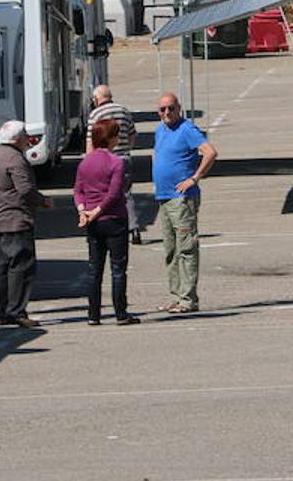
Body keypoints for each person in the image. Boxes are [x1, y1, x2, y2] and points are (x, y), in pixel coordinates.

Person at [151, 92, 217, 313]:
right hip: (164, 197)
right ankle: (176, 295)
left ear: (179, 108)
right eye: (162, 109)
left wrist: (194, 178)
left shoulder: (187, 129)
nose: (167, 113)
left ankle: (188, 299)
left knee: (186, 248)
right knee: (170, 249)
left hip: (182, 199)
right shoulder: (160, 130)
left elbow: (210, 152)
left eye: (171, 108)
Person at [0, 120, 51, 328]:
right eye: (24, 135)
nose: (28, 138)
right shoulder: (15, 159)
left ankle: (1, 311)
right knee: (21, 267)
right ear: (16, 138)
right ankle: (16, 311)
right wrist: (42, 201)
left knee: (1, 268)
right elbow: (24, 189)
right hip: (16, 220)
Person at [74, 118, 138, 326]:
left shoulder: (85, 162)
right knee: (118, 268)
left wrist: (83, 211)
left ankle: (93, 314)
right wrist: (98, 211)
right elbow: (114, 193)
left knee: (95, 269)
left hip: (93, 222)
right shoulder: (115, 162)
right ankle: (120, 312)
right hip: (114, 219)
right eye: (116, 135)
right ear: (110, 138)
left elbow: (78, 190)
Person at [87, 84, 140, 243]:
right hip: (124, 158)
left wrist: (89, 162)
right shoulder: (124, 111)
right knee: (126, 194)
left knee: (103, 194)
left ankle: (105, 227)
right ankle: (134, 228)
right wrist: (126, 149)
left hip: (105, 161)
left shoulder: (96, 114)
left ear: (97, 99)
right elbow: (132, 135)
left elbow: (90, 141)